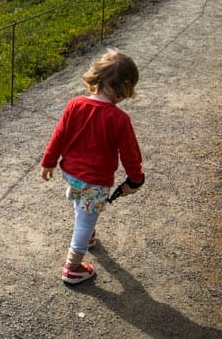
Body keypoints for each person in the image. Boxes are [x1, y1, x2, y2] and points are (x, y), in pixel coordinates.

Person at [39, 48, 145, 284]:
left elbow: (59, 136)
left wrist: (48, 162)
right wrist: (136, 177)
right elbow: (130, 154)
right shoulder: (119, 119)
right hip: (94, 180)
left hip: (71, 173)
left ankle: (85, 230)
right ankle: (73, 268)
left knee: (82, 202)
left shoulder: (75, 104)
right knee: (86, 221)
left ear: (96, 76)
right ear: (124, 89)